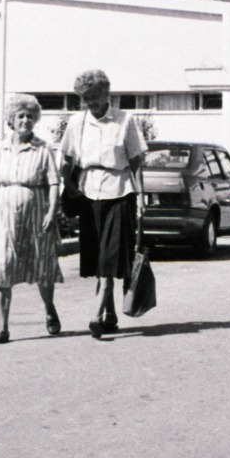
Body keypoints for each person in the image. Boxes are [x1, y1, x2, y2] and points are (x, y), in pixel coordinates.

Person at [59, 69, 147, 339]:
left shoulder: (125, 120)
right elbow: (66, 159)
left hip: (119, 192)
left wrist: (142, 197)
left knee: (110, 256)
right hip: (88, 193)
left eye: (94, 97)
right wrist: (68, 185)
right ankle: (110, 315)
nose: (90, 103)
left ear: (106, 94)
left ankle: (97, 315)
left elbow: (136, 162)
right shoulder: (77, 122)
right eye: (85, 98)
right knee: (98, 257)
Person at [0, 93, 63, 344]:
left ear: (34, 119)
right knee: (3, 266)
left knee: (42, 265)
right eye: (20, 116)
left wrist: (51, 213)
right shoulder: (0, 148)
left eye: (29, 116)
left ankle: (49, 310)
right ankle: (2, 327)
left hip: (36, 210)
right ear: (11, 120)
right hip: (5, 212)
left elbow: (54, 183)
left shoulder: (42, 148)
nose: (25, 120)